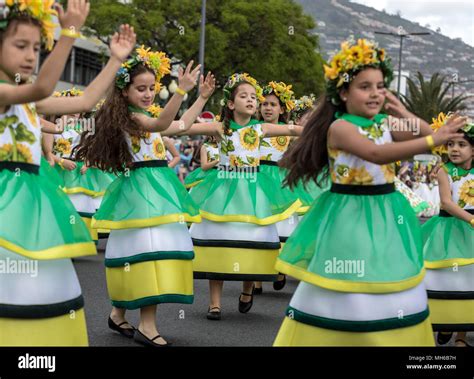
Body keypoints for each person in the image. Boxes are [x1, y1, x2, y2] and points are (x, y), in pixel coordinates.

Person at [272, 38, 467, 346]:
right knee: (349, 277)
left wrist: (402, 110)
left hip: (387, 209)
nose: (375, 93)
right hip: (349, 211)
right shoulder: (340, 127)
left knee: (386, 273)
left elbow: (427, 133)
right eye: (365, 86)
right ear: (344, 92)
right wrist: (432, 141)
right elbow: (377, 154)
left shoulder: (386, 121)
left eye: (379, 86)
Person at [0, 0, 135, 346]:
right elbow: (41, 88)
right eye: (20, 46)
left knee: (34, 288)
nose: (31, 56)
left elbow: (86, 101)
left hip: (30, 199)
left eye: (35, 47)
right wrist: (68, 34)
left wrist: (116, 59)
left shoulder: (28, 101)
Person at [75, 47, 216, 346]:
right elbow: (162, 124)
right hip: (141, 192)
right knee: (148, 252)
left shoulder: (144, 116)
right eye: (141, 88)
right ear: (124, 92)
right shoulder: (131, 119)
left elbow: (181, 125)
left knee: (142, 249)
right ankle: (147, 326)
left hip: (155, 190)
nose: (149, 93)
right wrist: (181, 91)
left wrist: (201, 97)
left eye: (152, 88)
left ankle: (117, 314)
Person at [178, 73, 303, 320]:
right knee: (217, 241)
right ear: (231, 104)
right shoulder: (219, 127)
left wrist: (329, 127)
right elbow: (184, 126)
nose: (251, 100)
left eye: (254, 97)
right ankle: (214, 304)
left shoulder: (261, 128)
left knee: (250, 240)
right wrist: (202, 97)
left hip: (252, 189)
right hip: (222, 188)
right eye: (244, 96)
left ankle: (247, 290)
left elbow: (295, 129)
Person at [422, 118, 474, 347]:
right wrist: (472, 219)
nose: (454, 149)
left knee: (468, 282)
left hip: (470, 230)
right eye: (450, 144)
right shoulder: (444, 170)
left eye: (461, 145)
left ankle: (461, 337)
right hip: (450, 229)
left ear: (473, 149)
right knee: (447, 280)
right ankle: (445, 322)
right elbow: (446, 202)